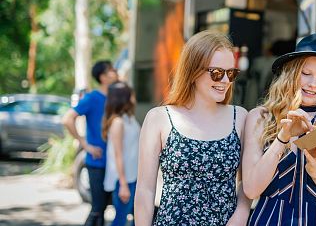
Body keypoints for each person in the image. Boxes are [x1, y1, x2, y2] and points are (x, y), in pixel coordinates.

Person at [134, 30, 251, 225]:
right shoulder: (159, 118)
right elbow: (145, 190)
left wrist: (240, 217)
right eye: (216, 73)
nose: (225, 81)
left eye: (231, 73)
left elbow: (246, 184)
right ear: (193, 71)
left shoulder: (240, 117)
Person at [242, 32, 316, 225]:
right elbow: (251, 190)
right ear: (291, 73)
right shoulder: (260, 117)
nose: (313, 84)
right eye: (306, 74)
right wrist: (282, 138)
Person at [62, 60, 118, 226]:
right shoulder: (92, 98)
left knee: (104, 208)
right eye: (111, 70)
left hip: (114, 163)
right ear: (102, 77)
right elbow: (67, 119)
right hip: (97, 162)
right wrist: (84, 144)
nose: (115, 72)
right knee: (97, 209)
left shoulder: (116, 98)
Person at [102, 81, 140, 226]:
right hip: (124, 180)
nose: (134, 99)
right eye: (131, 96)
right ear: (124, 98)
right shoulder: (118, 122)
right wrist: (123, 184)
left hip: (134, 176)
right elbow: (117, 154)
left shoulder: (129, 119)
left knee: (132, 217)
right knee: (120, 219)